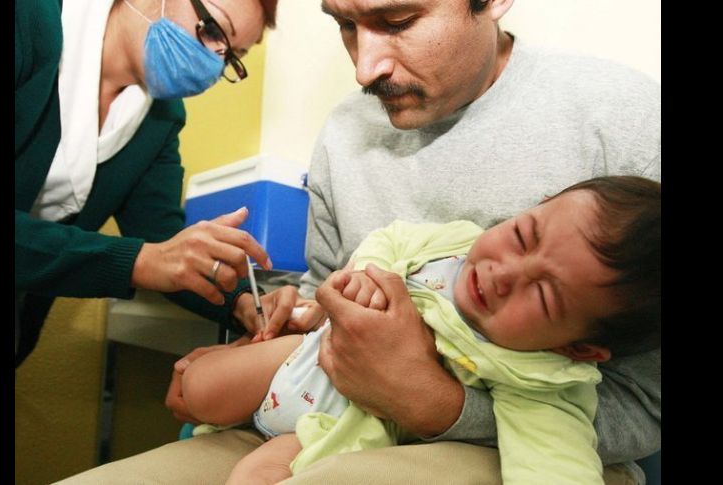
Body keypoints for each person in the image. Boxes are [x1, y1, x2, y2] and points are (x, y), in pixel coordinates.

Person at [60, 0, 660, 483]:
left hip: (512, 446)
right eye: (345, 25)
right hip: (313, 418)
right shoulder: (346, 131)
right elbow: (323, 296)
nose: (364, 68)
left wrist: (433, 402)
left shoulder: (627, 123)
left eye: (397, 21)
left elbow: (645, 406)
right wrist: (288, 319)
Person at [180, 175, 660, 485]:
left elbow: (555, 465)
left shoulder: (537, 379)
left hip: (334, 430)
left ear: (579, 348)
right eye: (522, 236)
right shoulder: (454, 241)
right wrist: (366, 275)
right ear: (536, 205)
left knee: (254, 477)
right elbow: (391, 238)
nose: (506, 273)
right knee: (194, 388)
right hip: (301, 358)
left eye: (544, 295)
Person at [15, 0, 295, 368]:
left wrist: (243, 303)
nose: (214, 64)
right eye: (213, 30)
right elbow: (155, 257)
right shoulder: (28, 21)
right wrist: (140, 261)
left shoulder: (159, 118)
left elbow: (163, 241)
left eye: (231, 57)